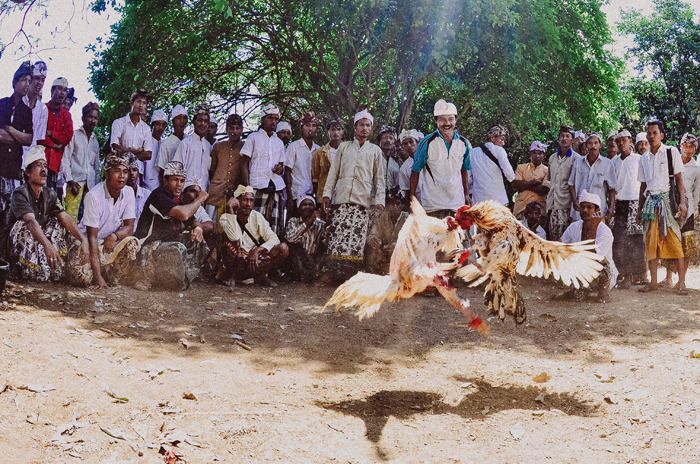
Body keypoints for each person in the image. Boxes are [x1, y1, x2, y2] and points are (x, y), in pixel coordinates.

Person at [1, 146, 88, 282]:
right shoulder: (20, 192)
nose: (43, 170)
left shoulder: (50, 194)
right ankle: (18, 267)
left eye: (45, 166)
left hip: (39, 244)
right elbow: (30, 221)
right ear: (28, 172)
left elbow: (65, 217)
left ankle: (53, 264)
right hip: (17, 248)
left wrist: (84, 239)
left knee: (59, 221)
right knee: (24, 224)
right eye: (38, 166)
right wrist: (48, 246)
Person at [320, 110, 385, 284]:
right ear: (355, 127)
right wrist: (327, 194)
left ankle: (351, 277)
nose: (364, 128)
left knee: (355, 242)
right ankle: (333, 275)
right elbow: (333, 173)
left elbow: (379, 179)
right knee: (338, 239)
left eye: (368, 125)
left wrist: (379, 201)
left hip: (362, 203)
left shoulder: (375, 150)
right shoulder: (344, 147)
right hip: (341, 200)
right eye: (361, 124)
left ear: (371, 129)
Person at [66, 153, 140, 289]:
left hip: (109, 243)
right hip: (87, 244)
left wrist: (115, 236)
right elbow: (92, 238)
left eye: (125, 172)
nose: (122, 176)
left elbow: (130, 228)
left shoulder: (128, 192)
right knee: (80, 277)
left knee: (132, 243)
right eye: (117, 171)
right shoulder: (93, 196)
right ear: (106, 174)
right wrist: (97, 278)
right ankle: (99, 274)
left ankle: (109, 275)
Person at [133, 161, 210, 290]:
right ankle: (154, 278)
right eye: (175, 180)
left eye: (182, 181)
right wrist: (199, 199)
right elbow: (184, 215)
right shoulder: (159, 195)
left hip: (166, 245)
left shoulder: (177, 199)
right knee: (177, 248)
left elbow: (192, 220)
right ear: (165, 181)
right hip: (148, 246)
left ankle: (182, 280)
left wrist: (198, 228)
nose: (179, 185)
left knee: (199, 242)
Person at [635, 119, 687, 294]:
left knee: (674, 240)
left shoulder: (671, 152)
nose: (651, 136)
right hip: (650, 204)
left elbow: (679, 180)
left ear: (662, 135)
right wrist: (639, 209)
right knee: (650, 243)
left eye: (655, 133)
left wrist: (682, 202)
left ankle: (681, 284)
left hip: (667, 202)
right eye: (649, 133)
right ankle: (654, 283)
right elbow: (643, 186)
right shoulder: (643, 158)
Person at [218, 185, 289, 287]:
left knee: (283, 248)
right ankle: (231, 276)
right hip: (235, 260)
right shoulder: (225, 217)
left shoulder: (256, 216)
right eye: (245, 200)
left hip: (252, 261)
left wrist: (257, 251)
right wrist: (230, 208)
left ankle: (259, 277)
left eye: (251, 200)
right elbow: (234, 236)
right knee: (228, 242)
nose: (248, 204)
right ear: (237, 202)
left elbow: (274, 239)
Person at [410, 100, 470, 218]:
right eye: (442, 119)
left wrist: (466, 194)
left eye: (451, 119)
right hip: (433, 206)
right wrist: (412, 199)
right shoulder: (426, 142)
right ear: (436, 121)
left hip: (456, 205)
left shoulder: (463, 143)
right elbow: (415, 171)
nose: (447, 123)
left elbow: (464, 169)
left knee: (457, 236)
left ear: (456, 120)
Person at [561, 190, 618, 303]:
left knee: (602, 263)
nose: (585, 210)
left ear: (597, 211)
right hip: (581, 272)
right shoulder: (574, 227)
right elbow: (560, 245)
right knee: (577, 299)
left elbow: (592, 255)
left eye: (589, 207)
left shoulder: (604, 231)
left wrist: (593, 227)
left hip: (602, 276)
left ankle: (603, 293)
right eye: (582, 207)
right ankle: (580, 290)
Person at [661, 133, 700, 292]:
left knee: (687, 244)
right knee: (670, 241)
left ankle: (682, 281)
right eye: (686, 146)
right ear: (680, 146)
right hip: (671, 205)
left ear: (695, 149)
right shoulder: (672, 163)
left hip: (688, 209)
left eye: (692, 147)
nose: (688, 149)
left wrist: (695, 210)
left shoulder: (696, 168)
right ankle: (668, 277)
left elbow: (697, 191)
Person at [241, 103, 286, 235]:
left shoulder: (279, 142)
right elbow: (244, 163)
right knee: (253, 226)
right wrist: (247, 188)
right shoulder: (253, 137)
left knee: (273, 228)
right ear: (263, 119)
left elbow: (281, 167)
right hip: (257, 187)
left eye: (276, 119)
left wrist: (279, 169)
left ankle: (270, 254)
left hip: (276, 188)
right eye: (270, 118)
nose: (273, 122)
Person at [0, 62, 34, 232]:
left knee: (9, 215)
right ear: (14, 82)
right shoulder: (2, 104)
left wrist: (10, 129)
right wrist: (18, 137)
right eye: (23, 80)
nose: (27, 84)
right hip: (0, 165)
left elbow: (28, 139)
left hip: (13, 169)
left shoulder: (26, 112)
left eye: (29, 81)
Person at [610, 129, 646, 288]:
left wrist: (641, 206)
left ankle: (638, 276)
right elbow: (611, 186)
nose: (621, 143)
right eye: (618, 141)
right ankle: (623, 275)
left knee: (636, 240)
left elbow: (644, 183)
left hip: (634, 203)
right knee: (619, 240)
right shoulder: (614, 162)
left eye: (624, 140)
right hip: (619, 204)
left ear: (630, 141)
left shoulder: (639, 159)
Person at [61, 102, 101, 222]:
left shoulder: (95, 142)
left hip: (90, 187)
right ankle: (69, 241)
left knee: (87, 219)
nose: (93, 121)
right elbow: (66, 159)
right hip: (75, 183)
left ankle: (84, 241)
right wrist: (70, 180)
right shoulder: (74, 135)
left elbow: (96, 167)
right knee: (71, 219)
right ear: (83, 118)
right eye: (90, 117)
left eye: (95, 118)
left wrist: (96, 188)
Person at [568, 131, 616, 222]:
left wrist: (611, 208)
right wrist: (574, 201)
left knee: (597, 235)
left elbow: (612, 189)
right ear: (586, 145)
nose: (593, 146)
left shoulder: (608, 164)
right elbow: (571, 184)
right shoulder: (578, 163)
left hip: (598, 211)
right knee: (578, 235)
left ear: (600, 145)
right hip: (579, 211)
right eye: (590, 143)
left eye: (596, 143)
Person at [38, 77, 73, 197]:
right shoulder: (42, 109)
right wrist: (53, 144)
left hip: (55, 165)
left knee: (49, 200)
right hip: (40, 160)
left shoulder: (66, 115)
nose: (62, 93)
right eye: (60, 89)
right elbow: (38, 134)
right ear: (52, 91)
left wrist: (52, 134)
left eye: (65, 90)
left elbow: (68, 136)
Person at [207, 114, 244, 225]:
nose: (234, 131)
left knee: (229, 228)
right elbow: (212, 170)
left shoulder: (245, 147)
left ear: (242, 130)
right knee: (210, 225)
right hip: (215, 194)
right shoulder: (218, 147)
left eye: (237, 128)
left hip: (234, 195)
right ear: (227, 129)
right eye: (231, 128)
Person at [546, 125, 580, 241]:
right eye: (562, 136)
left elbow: (576, 184)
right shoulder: (552, 158)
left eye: (567, 136)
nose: (564, 139)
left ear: (572, 139)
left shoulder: (576, 159)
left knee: (565, 241)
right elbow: (551, 181)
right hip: (552, 205)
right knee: (552, 240)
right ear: (558, 138)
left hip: (566, 207)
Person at [365, 186, 409, 275]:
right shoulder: (381, 217)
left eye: (397, 203)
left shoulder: (408, 219)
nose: (394, 207)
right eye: (391, 204)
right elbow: (372, 234)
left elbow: (411, 241)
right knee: (373, 250)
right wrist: (373, 239)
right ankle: (372, 275)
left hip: (401, 253)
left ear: (402, 205)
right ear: (387, 205)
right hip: (384, 251)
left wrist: (396, 246)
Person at [468, 125, 516, 206]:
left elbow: (468, 177)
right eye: (502, 139)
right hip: (498, 200)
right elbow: (509, 173)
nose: (503, 143)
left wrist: (470, 191)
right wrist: (513, 180)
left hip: (478, 200)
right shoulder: (499, 150)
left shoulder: (472, 152)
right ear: (492, 138)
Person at [284, 195, 326, 283]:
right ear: (299, 209)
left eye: (310, 204)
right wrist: (310, 221)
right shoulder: (293, 221)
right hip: (297, 261)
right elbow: (291, 238)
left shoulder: (320, 225)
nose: (307, 207)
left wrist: (327, 219)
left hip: (313, 260)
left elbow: (327, 242)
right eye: (304, 204)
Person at [285, 113, 320, 216]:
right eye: (307, 125)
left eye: (314, 125)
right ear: (302, 127)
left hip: (311, 197)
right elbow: (287, 172)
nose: (310, 128)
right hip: (296, 195)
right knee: (294, 226)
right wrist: (289, 198)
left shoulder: (318, 149)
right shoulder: (294, 147)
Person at [173, 104, 212, 191]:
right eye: (200, 120)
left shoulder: (209, 146)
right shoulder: (186, 143)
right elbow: (176, 171)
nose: (202, 124)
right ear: (193, 121)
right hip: (186, 192)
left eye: (206, 121)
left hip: (204, 193)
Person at [110, 89, 153, 166]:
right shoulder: (119, 123)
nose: (141, 105)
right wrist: (134, 150)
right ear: (131, 103)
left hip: (137, 171)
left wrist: (125, 150)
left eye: (144, 103)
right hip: (121, 169)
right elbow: (116, 148)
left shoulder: (146, 128)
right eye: (139, 101)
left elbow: (148, 155)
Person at [512, 141, 550, 218]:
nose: (537, 156)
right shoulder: (521, 167)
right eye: (534, 153)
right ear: (530, 154)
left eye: (540, 153)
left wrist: (523, 185)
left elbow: (545, 189)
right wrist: (534, 182)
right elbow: (515, 184)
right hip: (521, 209)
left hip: (539, 212)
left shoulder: (547, 170)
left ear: (544, 155)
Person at [311, 117, 344, 202]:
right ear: (328, 132)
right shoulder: (320, 153)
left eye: (338, 129)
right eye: (332, 129)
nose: (335, 132)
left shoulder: (349, 151)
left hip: (343, 196)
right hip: (325, 197)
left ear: (342, 132)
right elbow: (315, 179)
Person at [21, 61, 48, 158]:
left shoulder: (43, 109)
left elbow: (38, 141)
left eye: (42, 80)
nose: (39, 83)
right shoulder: (19, 101)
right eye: (36, 78)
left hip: (30, 159)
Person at [156, 105, 188, 176]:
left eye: (184, 118)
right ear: (173, 121)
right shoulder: (166, 144)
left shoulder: (189, 140)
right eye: (179, 118)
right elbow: (162, 170)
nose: (182, 121)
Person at [125, 154, 151, 230]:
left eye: (134, 170)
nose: (131, 173)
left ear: (139, 173)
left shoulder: (147, 195)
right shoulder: (119, 195)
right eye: (128, 170)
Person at [144, 109, 167, 191]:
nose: (160, 128)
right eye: (158, 124)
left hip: (160, 187)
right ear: (152, 125)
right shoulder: (146, 141)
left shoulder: (164, 143)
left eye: (163, 125)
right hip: (146, 185)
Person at [397, 129, 423, 201]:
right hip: (420, 204)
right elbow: (406, 191)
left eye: (411, 142)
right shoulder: (404, 168)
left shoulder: (429, 159)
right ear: (402, 146)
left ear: (417, 142)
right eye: (405, 143)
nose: (409, 145)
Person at [377, 125, 400, 191]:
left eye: (391, 138)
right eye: (384, 138)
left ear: (394, 143)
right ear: (379, 141)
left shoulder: (395, 163)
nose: (388, 140)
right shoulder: (373, 157)